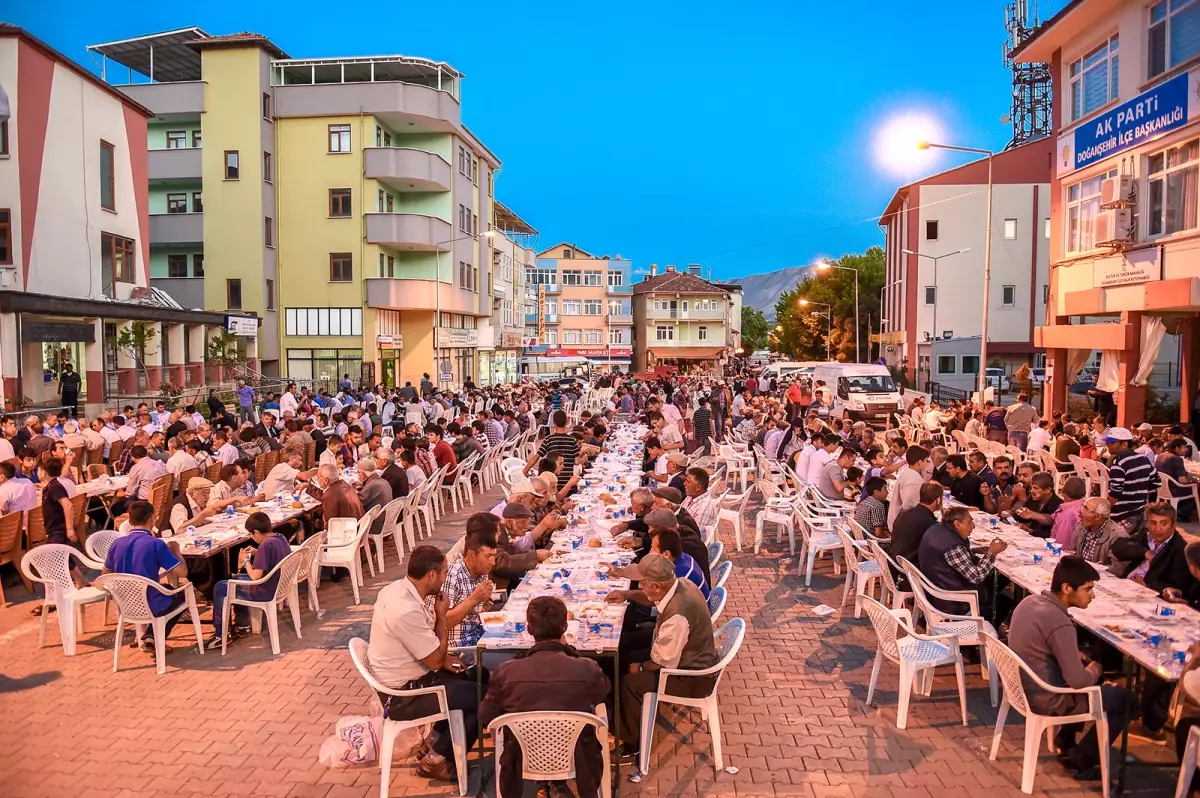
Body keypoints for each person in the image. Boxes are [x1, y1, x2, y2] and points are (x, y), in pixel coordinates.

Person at [1007, 556, 1130, 781]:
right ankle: (1081, 760)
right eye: (1087, 589)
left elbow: (1045, 646)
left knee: (1082, 667)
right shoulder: (1059, 621)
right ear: (1066, 588)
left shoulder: (1030, 602)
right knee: (1124, 699)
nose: (1092, 595)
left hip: (1022, 687)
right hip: (1047, 699)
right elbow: (1078, 682)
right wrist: (1095, 669)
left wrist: (1076, 656)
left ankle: (1066, 740)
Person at [367, 545, 479, 782]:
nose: (445, 577)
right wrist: (441, 614)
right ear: (432, 575)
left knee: (480, 674)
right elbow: (436, 660)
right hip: (403, 697)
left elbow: (431, 649)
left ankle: (434, 742)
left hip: (415, 679)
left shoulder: (397, 590)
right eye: (444, 573)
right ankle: (438, 760)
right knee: (483, 697)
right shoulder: (404, 609)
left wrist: (444, 658)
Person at [480, 595, 610, 798]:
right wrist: (571, 652)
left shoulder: (505, 672)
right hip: (576, 753)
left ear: (529, 629)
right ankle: (555, 784)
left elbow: (486, 716)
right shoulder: (586, 669)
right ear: (565, 627)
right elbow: (602, 693)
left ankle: (548, 784)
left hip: (523, 755)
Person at [613, 553, 718, 759]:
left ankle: (632, 743)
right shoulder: (681, 584)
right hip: (685, 656)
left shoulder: (677, 615)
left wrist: (640, 667)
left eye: (642, 583)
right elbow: (654, 601)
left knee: (630, 681)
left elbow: (662, 662)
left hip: (690, 676)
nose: (640, 586)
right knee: (624, 653)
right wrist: (627, 595)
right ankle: (619, 714)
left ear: (658, 587)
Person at [101, 500, 190, 650]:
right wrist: (176, 552)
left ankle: (150, 636)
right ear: (151, 519)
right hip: (150, 603)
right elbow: (183, 572)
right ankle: (153, 637)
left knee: (167, 587)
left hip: (126, 603)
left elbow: (105, 573)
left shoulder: (117, 544)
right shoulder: (156, 544)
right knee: (181, 596)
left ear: (130, 521)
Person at [207, 511, 292, 649]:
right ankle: (242, 625)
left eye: (251, 534)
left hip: (265, 590)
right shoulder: (280, 538)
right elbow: (272, 556)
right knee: (234, 579)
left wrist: (245, 561)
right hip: (279, 583)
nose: (251, 537)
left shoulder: (265, 545)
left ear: (256, 532)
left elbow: (255, 576)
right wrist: (256, 552)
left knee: (220, 587)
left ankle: (221, 635)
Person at [917, 505, 1006, 617]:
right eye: (969, 522)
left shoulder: (936, 529)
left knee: (999, 580)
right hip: (951, 602)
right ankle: (980, 630)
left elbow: (948, 556)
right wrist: (992, 553)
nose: (973, 526)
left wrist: (974, 550)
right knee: (1003, 601)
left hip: (936, 587)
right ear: (957, 524)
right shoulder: (953, 547)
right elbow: (976, 576)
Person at [442, 530, 497, 648]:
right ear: (472, 555)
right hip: (458, 646)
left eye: (494, 556)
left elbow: (477, 612)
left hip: (478, 637)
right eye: (488, 556)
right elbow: (443, 623)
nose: (493, 562)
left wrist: (486, 601)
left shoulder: (481, 572)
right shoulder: (452, 575)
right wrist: (473, 599)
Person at [1105, 427, 1160, 537]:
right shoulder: (1143, 459)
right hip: (1140, 511)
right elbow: (1156, 482)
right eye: (1107, 442)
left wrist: (1103, 509)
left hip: (1122, 515)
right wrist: (1138, 490)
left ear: (1124, 444)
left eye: (1112, 442)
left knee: (1114, 547)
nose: (1108, 445)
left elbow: (1115, 495)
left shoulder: (1119, 464)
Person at [889, 482, 943, 589]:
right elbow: (940, 548)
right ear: (938, 500)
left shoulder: (904, 513)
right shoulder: (928, 523)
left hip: (893, 564)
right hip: (909, 572)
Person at [169, 476, 243, 534]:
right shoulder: (179, 505)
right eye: (204, 494)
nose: (207, 497)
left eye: (208, 493)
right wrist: (203, 515)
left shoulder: (196, 503)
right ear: (192, 493)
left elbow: (196, 521)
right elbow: (180, 529)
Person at [1065, 497, 1123, 566]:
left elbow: (1118, 569)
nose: (1080, 512)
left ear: (1097, 516)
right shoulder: (1080, 527)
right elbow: (1072, 552)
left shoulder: (1117, 536)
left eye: (1085, 509)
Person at [887, 445, 929, 527]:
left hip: (899, 521)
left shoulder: (908, 472)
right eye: (926, 461)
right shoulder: (914, 479)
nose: (927, 463)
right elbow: (909, 506)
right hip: (903, 525)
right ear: (919, 462)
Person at [1012, 472, 1062, 539]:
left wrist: (1030, 530)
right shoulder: (1032, 498)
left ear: (1048, 490)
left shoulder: (1058, 505)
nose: (1031, 491)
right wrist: (1013, 513)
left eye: (1035, 488)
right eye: (1031, 487)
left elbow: (1051, 535)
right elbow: (1025, 519)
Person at [680, 467, 717, 532]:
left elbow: (695, 534)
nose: (684, 483)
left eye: (688, 482)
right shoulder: (691, 496)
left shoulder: (705, 508)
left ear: (698, 487)